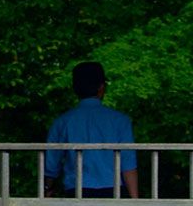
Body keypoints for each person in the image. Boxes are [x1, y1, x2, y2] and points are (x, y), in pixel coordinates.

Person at [44, 61, 137, 198]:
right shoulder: (120, 121)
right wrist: (134, 202)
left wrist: (47, 189)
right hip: (113, 192)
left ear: (75, 88)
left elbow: (51, 165)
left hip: (76, 192)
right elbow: (128, 164)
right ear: (101, 87)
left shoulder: (62, 122)